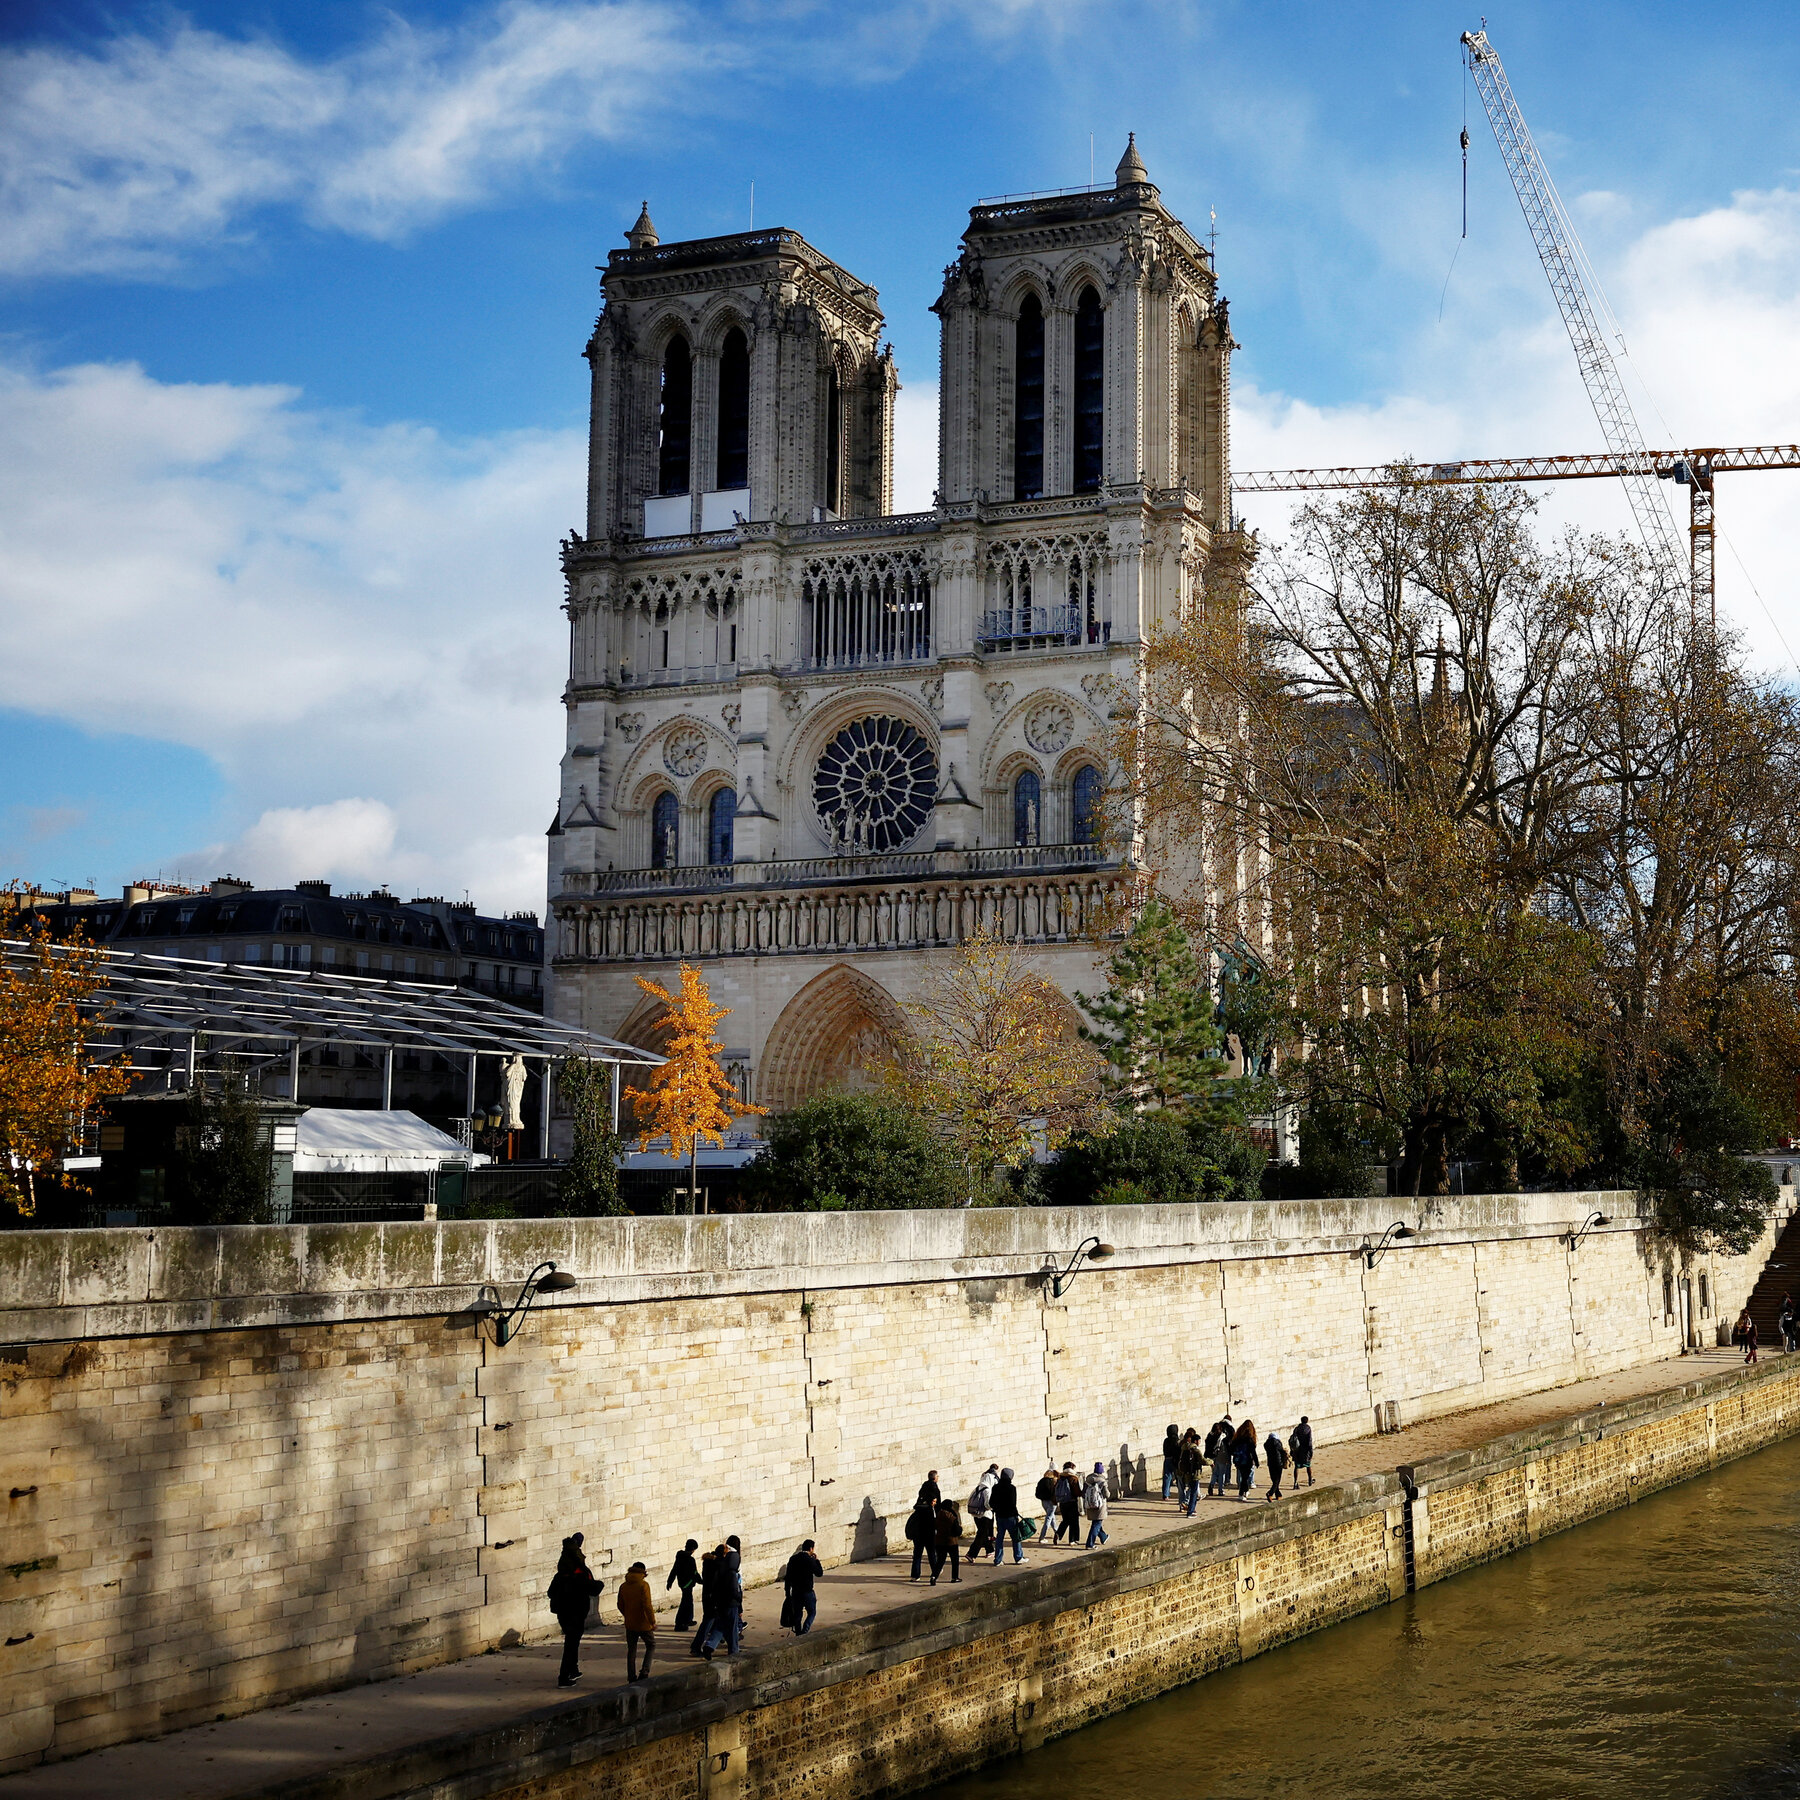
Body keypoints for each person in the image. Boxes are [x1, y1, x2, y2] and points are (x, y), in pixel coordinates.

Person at [547, 1533, 603, 1687]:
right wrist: (600, 1585)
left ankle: (573, 1670)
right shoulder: (580, 1574)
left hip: (563, 1613)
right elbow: (593, 1589)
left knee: (573, 1641)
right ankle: (563, 1678)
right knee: (571, 1644)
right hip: (576, 1612)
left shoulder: (560, 1575)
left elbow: (550, 1593)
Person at [618, 1560, 657, 1682]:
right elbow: (647, 1605)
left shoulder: (623, 1586)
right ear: (643, 1572)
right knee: (651, 1645)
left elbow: (620, 1604)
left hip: (630, 1623)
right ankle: (644, 1672)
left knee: (632, 1650)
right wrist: (652, 1621)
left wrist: (627, 1615)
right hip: (643, 1622)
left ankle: (631, 1676)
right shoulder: (643, 1585)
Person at [782, 1539, 823, 1635]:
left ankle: (798, 1633)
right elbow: (819, 1573)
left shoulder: (793, 1559)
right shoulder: (810, 1560)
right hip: (807, 1591)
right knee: (812, 1612)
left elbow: (788, 1578)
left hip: (796, 1591)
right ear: (811, 1549)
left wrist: (787, 1592)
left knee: (797, 1614)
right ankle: (805, 1630)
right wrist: (816, 1560)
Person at [991, 1466, 1027, 1565]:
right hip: (1010, 1516)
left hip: (999, 1516)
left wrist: (997, 1509)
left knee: (999, 1538)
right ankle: (1018, 1557)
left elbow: (991, 1502)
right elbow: (1013, 1503)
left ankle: (998, 1560)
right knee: (1016, 1538)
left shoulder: (995, 1487)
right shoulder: (1012, 1488)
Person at [689, 1546, 719, 1657]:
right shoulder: (714, 1567)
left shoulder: (707, 1564)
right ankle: (697, 1646)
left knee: (709, 1622)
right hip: (712, 1600)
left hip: (707, 1598)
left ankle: (701, 1646)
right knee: (708, 1623)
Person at [665, 1538, 700, 1634]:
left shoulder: (679, 1556)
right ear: (693, 1549)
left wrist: (670, 1581)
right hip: (687, 1584)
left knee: (689, 1601)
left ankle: (688, 1619)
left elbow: (674, 1569)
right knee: (685, 1602)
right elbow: (695, 1573)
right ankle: (679, 1623)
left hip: (682, 1583)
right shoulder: (690, 1559)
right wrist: (702, 1581)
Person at [931, 1497, 964, 1584]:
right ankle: (954, 1577)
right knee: (954, 1560)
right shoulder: (952, 1517)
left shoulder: (938, 1515)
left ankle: (934, 1576)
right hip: (951, 1542)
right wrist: (960, 1529)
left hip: (939, 1541)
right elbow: (957, 1531)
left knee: (940, 1561)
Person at [968, 1464, 998, 1558]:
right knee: (981, 1535)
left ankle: (989, 1550)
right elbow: (987, 1504)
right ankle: (971, 1554)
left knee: (983, 1533)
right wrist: (993, 1507)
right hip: (984, 1514)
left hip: (975, 1514)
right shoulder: (987, 1490)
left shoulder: (978, 1487)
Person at [905, 1494, 936, 1581]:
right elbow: (933, 1525)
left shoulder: (917, 1512)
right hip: (928, 1537)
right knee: (932, 1555)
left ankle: (915, 1575)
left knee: (917, 1556)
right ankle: (935, 1572)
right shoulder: (930, 1512)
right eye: (933, 1501)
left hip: (917, 1537)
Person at [1176, 1428, 1205, 1515]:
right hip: (1188, 1472)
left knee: (1182, 1489)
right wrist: (1211, 1462)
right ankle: (1186, 1504)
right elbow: (1201, 1459)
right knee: (1192, 1488)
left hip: (1180, 1469)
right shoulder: (1191, 1448)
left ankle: (1183, 1505)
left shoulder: (1180, 1445)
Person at [1205, 1414, 1234, 1500]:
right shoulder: (1222, 1436)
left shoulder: (1209, 1435)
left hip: (1212, 1457)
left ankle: (1211, 1485)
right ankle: (1220, 1490)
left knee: (1214, 1473)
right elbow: (1225, 1447)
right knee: (1222, 1474)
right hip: (1221, 1456)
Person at [1082, 1462, 1110, 1548]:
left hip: (1090, 1505)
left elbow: (1083, 1493)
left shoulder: (1087, 1481)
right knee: (1096, 1524)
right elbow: (1107, 1495)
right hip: (1100, 1506)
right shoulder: (1102, 1481)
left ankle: (1103, 1537)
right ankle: (1090, 1544)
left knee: (1096, 1522)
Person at [1231, 1420, 1260, 1501]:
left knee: (1244, 1476)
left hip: (1238, 1460)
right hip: (1247, 1460)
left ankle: (1246, 1490)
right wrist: (1256, 1462)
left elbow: (1232, 1448)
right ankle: (1241, 1494)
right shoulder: (1250, 1439)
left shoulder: (1237, 1438)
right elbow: (1253, 1452)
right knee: (1245, 1478)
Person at [1055, 1462, 1082, 1544]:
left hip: (1062, 1502)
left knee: (1065, 1520)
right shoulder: (1073, 1478)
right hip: (1072, 1502)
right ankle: (1072, 1540)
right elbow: (1077, 1492)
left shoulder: (1060, 1478)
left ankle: (1058, 1534)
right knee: (1074, 1521)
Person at [1263, 1430, 1290, 1503]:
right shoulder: (1278, 1443)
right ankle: (1270, 1493)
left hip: (1270, 1463)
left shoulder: (1266, 1444)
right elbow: (1281, 1451)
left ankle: (1278, 1494)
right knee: (1277, 1480)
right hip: (1278, 1463)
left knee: (1274, 1479)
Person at [1289, 1416, 1315, 1488]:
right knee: (1308, 1465)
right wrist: (1311, 1452)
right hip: (1306, 1451)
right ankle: (1310, 1479)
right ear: (1307, 1421)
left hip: (1297, 1451)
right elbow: (1309, 1441)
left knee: (1297, 1467)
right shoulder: (1308, 1429)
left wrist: (1292, 1450)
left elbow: (1293, 1440)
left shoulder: (1296, 1429)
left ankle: (1295, 1482)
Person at [1034, 1467, 1059, 1542]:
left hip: (1043, 1501)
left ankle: (1057, 1533)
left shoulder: (1041, 1481)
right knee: (1049, 1519)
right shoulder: (1053, 1481)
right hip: (1052, 1502)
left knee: (1052, 1518)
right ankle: (1042, 1537)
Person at [1160, 1424, 1182, 1501]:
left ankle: (1165, 1495)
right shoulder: (1177, 1440)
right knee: (1178, 1478)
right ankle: (1181, 1493)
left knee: (1167, 1477)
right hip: (1175, 1460)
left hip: (1167, 1459)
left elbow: (1164, 1451)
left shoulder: (1166, 1440)